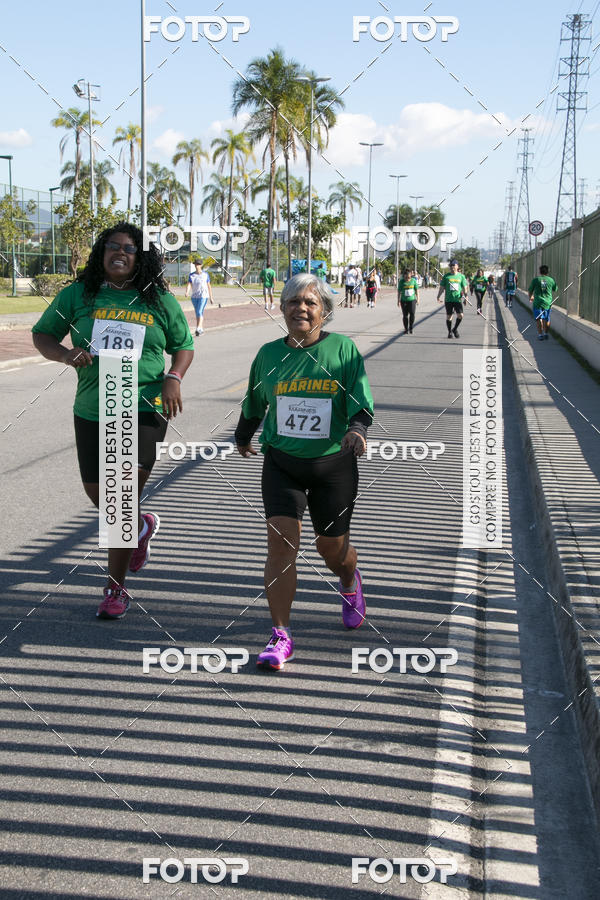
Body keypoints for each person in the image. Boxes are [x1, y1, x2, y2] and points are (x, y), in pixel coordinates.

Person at [31, 223, 194, 619]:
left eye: (130, 249)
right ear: (101, 252)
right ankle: (140, 525)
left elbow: (184, 346)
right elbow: (43, 334)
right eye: (112, 246)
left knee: (119, 498)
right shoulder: (78, 294)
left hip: (144, 404)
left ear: (142, 258)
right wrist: (66, 354)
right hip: (93, 406)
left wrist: (173, 378)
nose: (120, 253)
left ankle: (115, 587)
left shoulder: (157, 299)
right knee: (99, 495)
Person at [234, 273, 374, 670]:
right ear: (282, 308)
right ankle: (280, 635)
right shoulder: (267, 354)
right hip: (282, 463)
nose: (301, 309)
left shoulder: (343, 351)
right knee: (281, 547)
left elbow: (360, 403)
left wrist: (357, 430)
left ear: (324, 311)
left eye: (311, 303)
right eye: (294, 302)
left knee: (332, 551)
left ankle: (350, 582)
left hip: (333, 465)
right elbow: (255, 402)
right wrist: (243, 436)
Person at [437, 259, 468, 338]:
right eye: (451, 265)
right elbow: (442, 287)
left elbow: (464, 287)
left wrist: (466, 297)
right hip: (448, 300)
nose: (452, 267)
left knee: (460, 315)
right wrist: (438, 296)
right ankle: (449, 332)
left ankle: (455, 329)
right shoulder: (446, 276)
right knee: (449, 316)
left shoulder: (461, 276)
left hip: (457, 299)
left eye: (454, 265)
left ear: (457, 266)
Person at [528, 264, 557, 341]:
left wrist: (530, 297)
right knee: (547, 319)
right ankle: (546, 333)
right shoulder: (551, 280)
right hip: (548, 303)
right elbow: (555, 289)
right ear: (548, 272)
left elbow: (530, 290)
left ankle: (540, 335)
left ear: (540, 271)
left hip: (537, 302)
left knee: (539, 319)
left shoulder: (536, 280)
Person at [185, 259, 214, 335]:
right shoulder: (192, 275)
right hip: (194, 297)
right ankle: (200, 329)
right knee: (198, 312)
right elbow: (189, 284)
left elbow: (209, 286)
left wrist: (211, 297)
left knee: (199, 311)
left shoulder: (205, 275)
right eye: (195, 264)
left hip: (203, 296)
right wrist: (187, 292)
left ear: (201, 265)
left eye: (198, 264)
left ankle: (198, 328)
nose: (196, 266)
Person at [397, 267, 419, 334]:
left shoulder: (413, 281)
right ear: (404, 276)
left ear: (410, 276)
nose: (407, 279)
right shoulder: (401, 282)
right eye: (406, 278)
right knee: (405, 315)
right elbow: (399, 292)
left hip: (412, 300)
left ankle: (411, 327)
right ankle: (406, 329)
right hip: (404, 300)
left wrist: (418, 299)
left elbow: (417, 290)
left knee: (412, 314)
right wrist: (398, 301)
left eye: (409, 277)